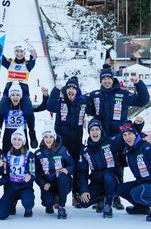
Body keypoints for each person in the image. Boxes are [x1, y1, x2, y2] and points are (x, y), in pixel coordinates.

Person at [86, 64, 149, 210]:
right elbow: (83, 106)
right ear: (100, 80)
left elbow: (142, 100)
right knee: (98, 167)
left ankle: (116, 196)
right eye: (104, 78)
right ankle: (100, 198)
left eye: (109, 78)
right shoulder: (95, 95)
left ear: (113, 79)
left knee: (118, 167)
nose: (106, 81)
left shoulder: (123, 93)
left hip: (118, 139)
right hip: (99, 140)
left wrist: (138, 83)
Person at [117, 120, 151, 222]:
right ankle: (142, 207)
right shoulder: (128, 150)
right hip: (143, 182)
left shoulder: (146, 145)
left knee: (137, 193)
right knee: (121, 189)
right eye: (124, 135)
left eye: (130, 134)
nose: (127, 137)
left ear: (136, 134)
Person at [47, 76, 88, 207]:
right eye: (69, 87)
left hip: (76, 142)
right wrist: (55, 90)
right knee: (59, 168)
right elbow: (50, 106)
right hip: (61, 143)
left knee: (76, 168)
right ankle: (59, 195)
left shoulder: (83, 102)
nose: (71, 90)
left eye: (74, 88)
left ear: (77, 91)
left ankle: (76, 195)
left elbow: (95, 109)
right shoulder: (60, 101)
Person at [78, 118, 124, 218]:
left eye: (97, 129)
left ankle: (108, 203)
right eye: (92, 130)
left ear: (101, 130)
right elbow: (83, 172)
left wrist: (136, 125)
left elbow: (125, 134)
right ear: (89, 132)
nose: (95, 132)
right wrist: (84, 190)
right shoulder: (85, 150)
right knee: (84, 203)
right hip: (97, 182)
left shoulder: (111, 142)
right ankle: (100, 199)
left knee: (108, 176)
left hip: (112, 180)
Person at [0, 44, 37, 134]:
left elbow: (33, 61)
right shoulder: (10, 62)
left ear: (24, 53)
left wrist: (33, 54)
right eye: (17, 51)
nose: (19, 53)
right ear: (14, 52)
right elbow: (2, 60)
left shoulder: (27, 64)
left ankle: (32, 133)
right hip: (9, 87)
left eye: (21, 51)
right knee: (2, 109)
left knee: (28, 109)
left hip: (23, 88)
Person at [34, 126, 74, 219]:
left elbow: (72, 163)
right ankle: (51, 201)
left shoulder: (62, 150)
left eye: (51, 137)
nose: (48, 139)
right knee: (47, 202)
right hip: (48, 183)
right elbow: (36, 172)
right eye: (46, 137)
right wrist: (43, 184)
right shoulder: (38, 154)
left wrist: (67, 170)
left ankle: (61, 207)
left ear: (54, 138)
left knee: (62, 176)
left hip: (62, 182)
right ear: (43, 138)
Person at [0, 129, 36, 220]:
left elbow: (33, 173)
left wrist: (30, 177)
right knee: (1, 215)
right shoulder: (7, 155)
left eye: (19, 139)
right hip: (11, 188)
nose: (16, 142)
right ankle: (12, 203)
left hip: (24, 187)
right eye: (15, 139)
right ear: (11, 140)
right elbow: (4, 173)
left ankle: (28, 208)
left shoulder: (30, 155)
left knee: (28, 201)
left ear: (23, 141)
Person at [0, 82, 38, 150]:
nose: (15, 97)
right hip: (8, 138)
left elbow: (31, 123)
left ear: (21, 96)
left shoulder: (25, 108)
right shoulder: (5, 107)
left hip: (22, 138)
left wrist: (33, 137)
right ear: (9, 96)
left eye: (18, 95)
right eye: (13, 95)